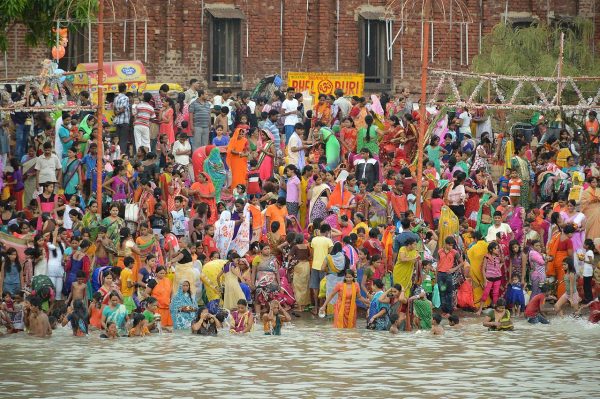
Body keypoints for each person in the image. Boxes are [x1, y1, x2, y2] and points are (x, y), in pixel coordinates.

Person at [476, 242, 504, 315]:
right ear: (491, 250)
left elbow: (503, 262)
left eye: (498, 248)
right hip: (489, 278)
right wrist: (485, 280)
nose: (497, 249)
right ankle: (480, 310)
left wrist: (499, 267)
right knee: (485, 293)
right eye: (496, 248)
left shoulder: (499, 257)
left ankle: (495, 310)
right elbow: (483, 268)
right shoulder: (487, 256)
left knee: (495, 294)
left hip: (498, 278)